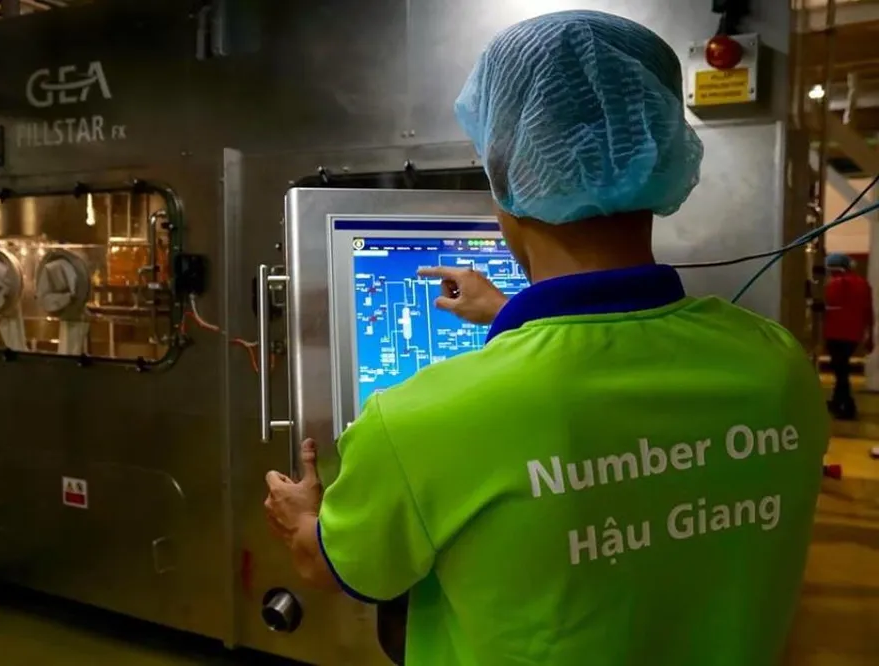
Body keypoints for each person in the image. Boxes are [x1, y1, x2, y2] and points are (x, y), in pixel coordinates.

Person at [264, 10, 829, 666]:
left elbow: (333, 565)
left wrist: (302, 517)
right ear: (657, 152)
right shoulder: (777, 365)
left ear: (504, 175)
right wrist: (512, 313)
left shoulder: (418, 423)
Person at [823, 252, 874, 420]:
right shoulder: (863, 284)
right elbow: (868, 311)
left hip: (836, 332)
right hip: (854, 334)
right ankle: (837, 401)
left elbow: (828, 304)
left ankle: (847, 406)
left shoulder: (836, 283)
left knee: (840, 371)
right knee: (842, 368)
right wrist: (870, 336)